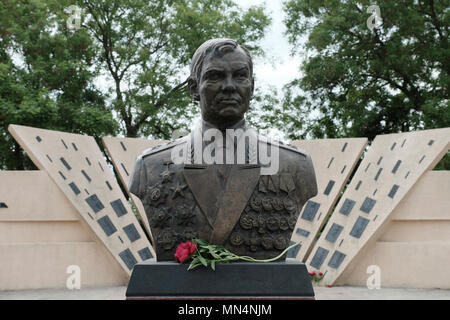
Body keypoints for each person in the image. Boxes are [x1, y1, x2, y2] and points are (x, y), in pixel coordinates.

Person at [129, 38, 317, 261]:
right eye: (215, 76)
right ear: (193, 89)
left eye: (240, 75)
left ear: (252, 86)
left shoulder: (295, 165)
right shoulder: (150, 167)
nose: (229, 86)